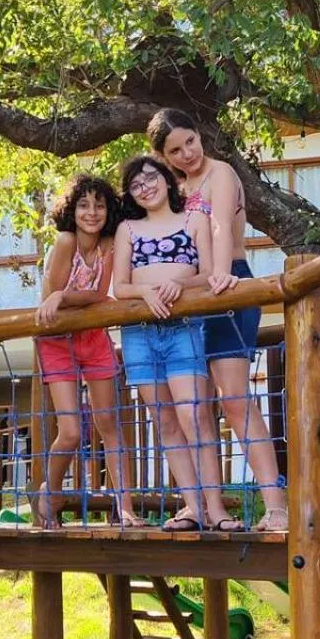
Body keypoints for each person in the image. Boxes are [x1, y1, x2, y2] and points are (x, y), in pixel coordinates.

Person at [147, 108, 290, 531]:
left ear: (198, 133)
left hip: (229, 285)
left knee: (234, 399)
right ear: (163, 156)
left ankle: (276, 506)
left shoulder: (221, 173)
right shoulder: (170, 187)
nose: (187, 153)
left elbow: (219, 227)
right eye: (175, 150)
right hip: (188, 295)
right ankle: (204, 506)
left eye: (190, 141)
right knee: (194, 408)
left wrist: (221, 272)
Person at [110, 155, 238, 531]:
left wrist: (178, 285)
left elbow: (209, 274)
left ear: (167, 179)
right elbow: (120, 286)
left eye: (151, 178)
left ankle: (216, 509)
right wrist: (147, 291)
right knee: (164, 420)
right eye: (136, 185)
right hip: (140, 333)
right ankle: (192, 506)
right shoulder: (128, 229)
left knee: (194, 415)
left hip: (183, 327)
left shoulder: (194, 220)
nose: (145, 186)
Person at [32, 174, 139, 528]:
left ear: (108, 210)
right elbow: (54, 296)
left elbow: (99, 294)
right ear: (71, 210)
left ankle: (124, 507)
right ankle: (49, 493)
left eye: (99, 205)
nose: (92, 212)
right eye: (83, 205)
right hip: (58, 338)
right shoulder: (65, 241)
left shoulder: (109, 244)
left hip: (93, 334)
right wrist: (60, 296)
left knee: (108, 422)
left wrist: (64, 295)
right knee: (73, 431)